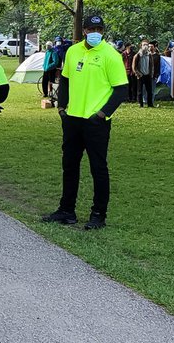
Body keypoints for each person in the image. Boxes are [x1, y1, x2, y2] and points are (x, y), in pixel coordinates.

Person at [42, 14, 128, 231]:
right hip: (72, 119)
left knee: (98, 168)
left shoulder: (110, 54)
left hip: (95, 122)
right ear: (84, 31)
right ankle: (66, 210)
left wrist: (102, 114)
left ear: (103, 31)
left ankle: (98, 214)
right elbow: (66, 80)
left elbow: (121, 89)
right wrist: (61, 108)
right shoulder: (73, 51)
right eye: (91, 29)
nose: (95, 33)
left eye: (99, 30)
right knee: (69, 165)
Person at [132, 39, 159, 107]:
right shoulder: (137, 55)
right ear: (141, 46)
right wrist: (138, 74)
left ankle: (150, 104)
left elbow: (151, 65)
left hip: (148, 75)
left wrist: (151, 74)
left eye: (147, 45)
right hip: (140, 75)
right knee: (140, 91)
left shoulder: (149, 55)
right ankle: (141, 104)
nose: (146, 46)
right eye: (144, 45)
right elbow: (134, 66)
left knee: (149, 91)